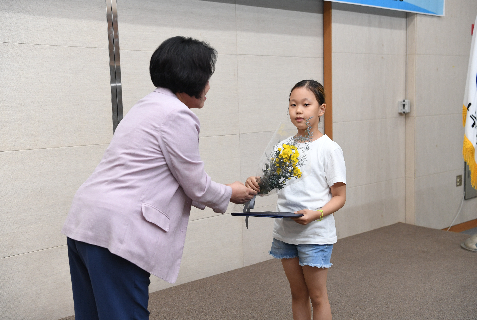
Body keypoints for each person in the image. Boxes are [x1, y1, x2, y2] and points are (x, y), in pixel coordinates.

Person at [62, 36, 257, 320]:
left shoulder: (147, 105)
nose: (208, 86)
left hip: (86, 223)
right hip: (119, 233)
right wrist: (231, 193)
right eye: (206, 77)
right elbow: (197, 185)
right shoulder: (177, 115)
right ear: (190, 77)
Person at [246, 80, 346, 320]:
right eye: (293, 104)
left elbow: (340, 197)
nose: (298, 110)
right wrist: (256, 183)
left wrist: (316, 214)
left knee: (317, 296)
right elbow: (269, 185)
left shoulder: (329, 149)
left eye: (305, 104)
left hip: (315, 234)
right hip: (285, 232)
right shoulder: (283, 147)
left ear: (321, 109)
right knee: (297, 293)